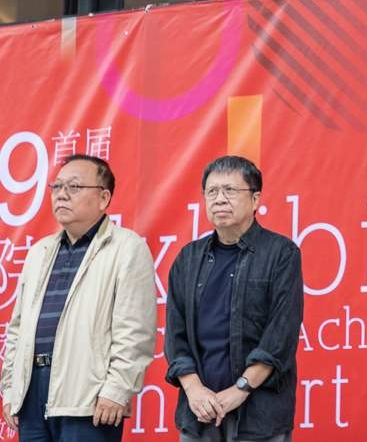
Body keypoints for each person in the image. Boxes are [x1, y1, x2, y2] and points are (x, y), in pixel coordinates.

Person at [0, 154, 157, 442]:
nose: (61, 194)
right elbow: (17, 329)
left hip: (89, 399)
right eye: (57, 187)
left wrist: (117, 390)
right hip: (32, 392)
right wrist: (11, 390)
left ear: (103, 198)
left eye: (74, 187)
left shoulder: (126, 248)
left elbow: (135, 332)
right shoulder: (39, 252)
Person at [165, 156, 303, 442]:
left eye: (230, 190)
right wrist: (193, 389)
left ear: (255, 199)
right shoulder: (188, 258)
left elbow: (280, 334)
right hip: (199, 413)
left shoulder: (281, 253)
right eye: (212, 191)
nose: (219, 199)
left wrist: (241, 389)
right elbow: (176, 336)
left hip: (259, 414)